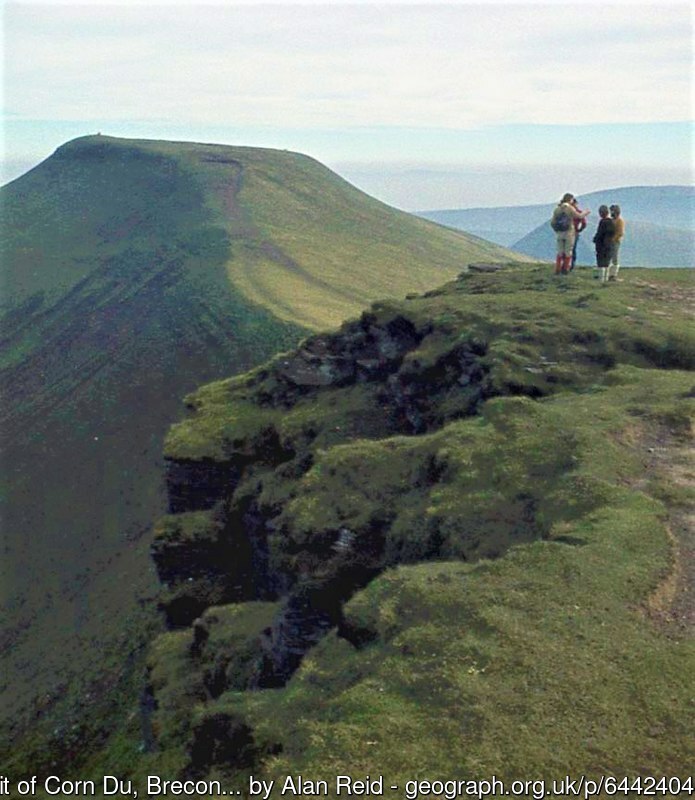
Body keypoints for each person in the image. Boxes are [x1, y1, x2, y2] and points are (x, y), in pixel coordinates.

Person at [550, 193, 590, 274]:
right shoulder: (570, 208)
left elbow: (552, 222)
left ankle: (557, 269)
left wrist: (556, 230)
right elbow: (579, 216)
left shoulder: (557, 209)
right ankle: (565, 269)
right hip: (569, 232)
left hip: (560, 232)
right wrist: (586, 212)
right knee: (568, 251)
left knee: (560, 252)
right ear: (570, 199)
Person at [592, 206, 615, 284]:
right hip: (610, 244)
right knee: (607, 262)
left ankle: (601, 280)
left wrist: (595, 239)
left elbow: (600, 234)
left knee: (601, 263)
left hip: (601, 245)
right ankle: (606, 279)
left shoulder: (602, 222)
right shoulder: (612, 222)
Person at [570, 197, 588, 270]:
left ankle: (565, 264)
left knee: (566, 249)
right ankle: (572, 264)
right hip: (575, 232)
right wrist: (579, 230)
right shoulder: (579, 212)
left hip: (566, 232)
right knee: (573, 249)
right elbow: (584, 223)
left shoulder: (568, 212)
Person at [608, 204, 625, 280]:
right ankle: (607, 273)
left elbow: (620, 232)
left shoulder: (619, 221)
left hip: (615, 242)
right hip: (610, 241)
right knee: (608, 257)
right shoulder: (611, 220)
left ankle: (613, 275)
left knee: (614, 257)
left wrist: (613, 239)